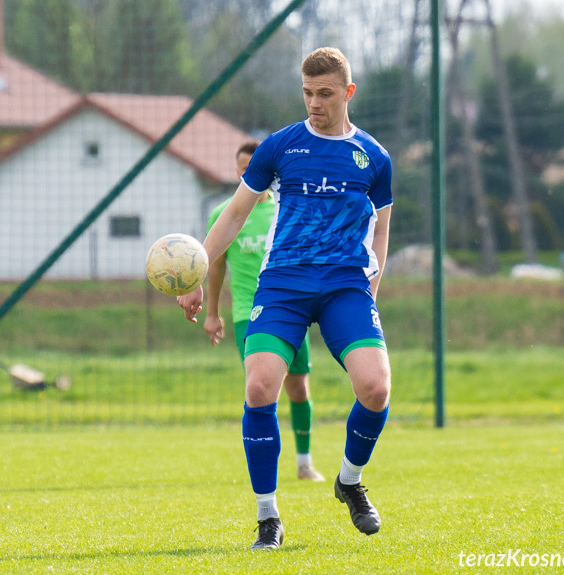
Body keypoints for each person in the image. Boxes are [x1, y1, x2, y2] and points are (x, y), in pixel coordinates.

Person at [178, 47, 392, 549]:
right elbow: (232, 216)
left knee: (376, 389)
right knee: (260, 388)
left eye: (324, 94)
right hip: (284, 284)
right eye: (307, 93)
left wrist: (373, 289)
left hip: (345, 285)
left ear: (348, 93)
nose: (314, 103)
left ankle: (349, 481)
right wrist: (195, 274)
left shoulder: (373, 157)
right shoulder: (281, 147)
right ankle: (267, 515)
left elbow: (380, 230)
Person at [204, 140, 324, 483]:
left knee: (299, 388)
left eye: (252, 166)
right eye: (242, 168)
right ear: (237, 171)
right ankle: (262, 468)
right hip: (248, 313)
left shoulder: (283, 210)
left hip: (291, 310)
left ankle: (304, 463)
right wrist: (212, 313)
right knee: (260, 389)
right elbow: (215, 268)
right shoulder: (224, 214)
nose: (247, 172)